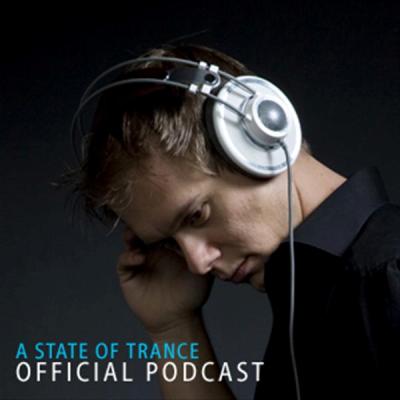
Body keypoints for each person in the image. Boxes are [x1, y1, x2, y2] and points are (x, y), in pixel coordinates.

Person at [62, 44, 400, 399]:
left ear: (259, 139)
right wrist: (173, 327)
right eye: (170, 243)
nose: (196, 263)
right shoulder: (314, 297)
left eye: (196, 215)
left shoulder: (387, 281)